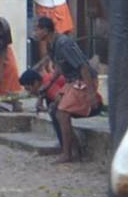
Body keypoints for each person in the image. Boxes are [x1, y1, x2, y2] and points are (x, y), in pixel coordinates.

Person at [33, 15, 100, 163]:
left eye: (37, 29)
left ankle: (67, 153)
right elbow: (59, 68)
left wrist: (91, 93)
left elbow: (83, 67)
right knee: (54, 108)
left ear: (45, 30)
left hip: (82, 80)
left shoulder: (63, 43)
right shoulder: (51, 45)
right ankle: (73, 149)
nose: (35, 33)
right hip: (72, 81)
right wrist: (48, 86)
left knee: (62, 112)